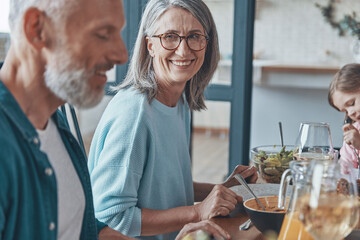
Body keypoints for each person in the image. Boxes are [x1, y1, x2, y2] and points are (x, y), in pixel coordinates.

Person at [0, 0, 231, 239]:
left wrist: (220, 193)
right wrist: (195, 212)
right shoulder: (7, 142)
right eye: (102, 34)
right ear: (36, 29)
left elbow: (89, 228)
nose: (122, 55)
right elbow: (113, 215)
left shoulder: (56, 129)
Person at [88, 0, 258, 239]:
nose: (183, 50)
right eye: (170, 36)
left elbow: (165, 187)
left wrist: (224, 190)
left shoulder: (178, 102)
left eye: (195, 36)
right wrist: (197, 212)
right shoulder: (134, 114)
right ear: (150, 45)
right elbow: (113, 217)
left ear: (207, 45)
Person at [328, 63, 360, 173]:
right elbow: (345, 168)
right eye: (345, 111)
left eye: (351, 103)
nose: (350, 113)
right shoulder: (355, 131)